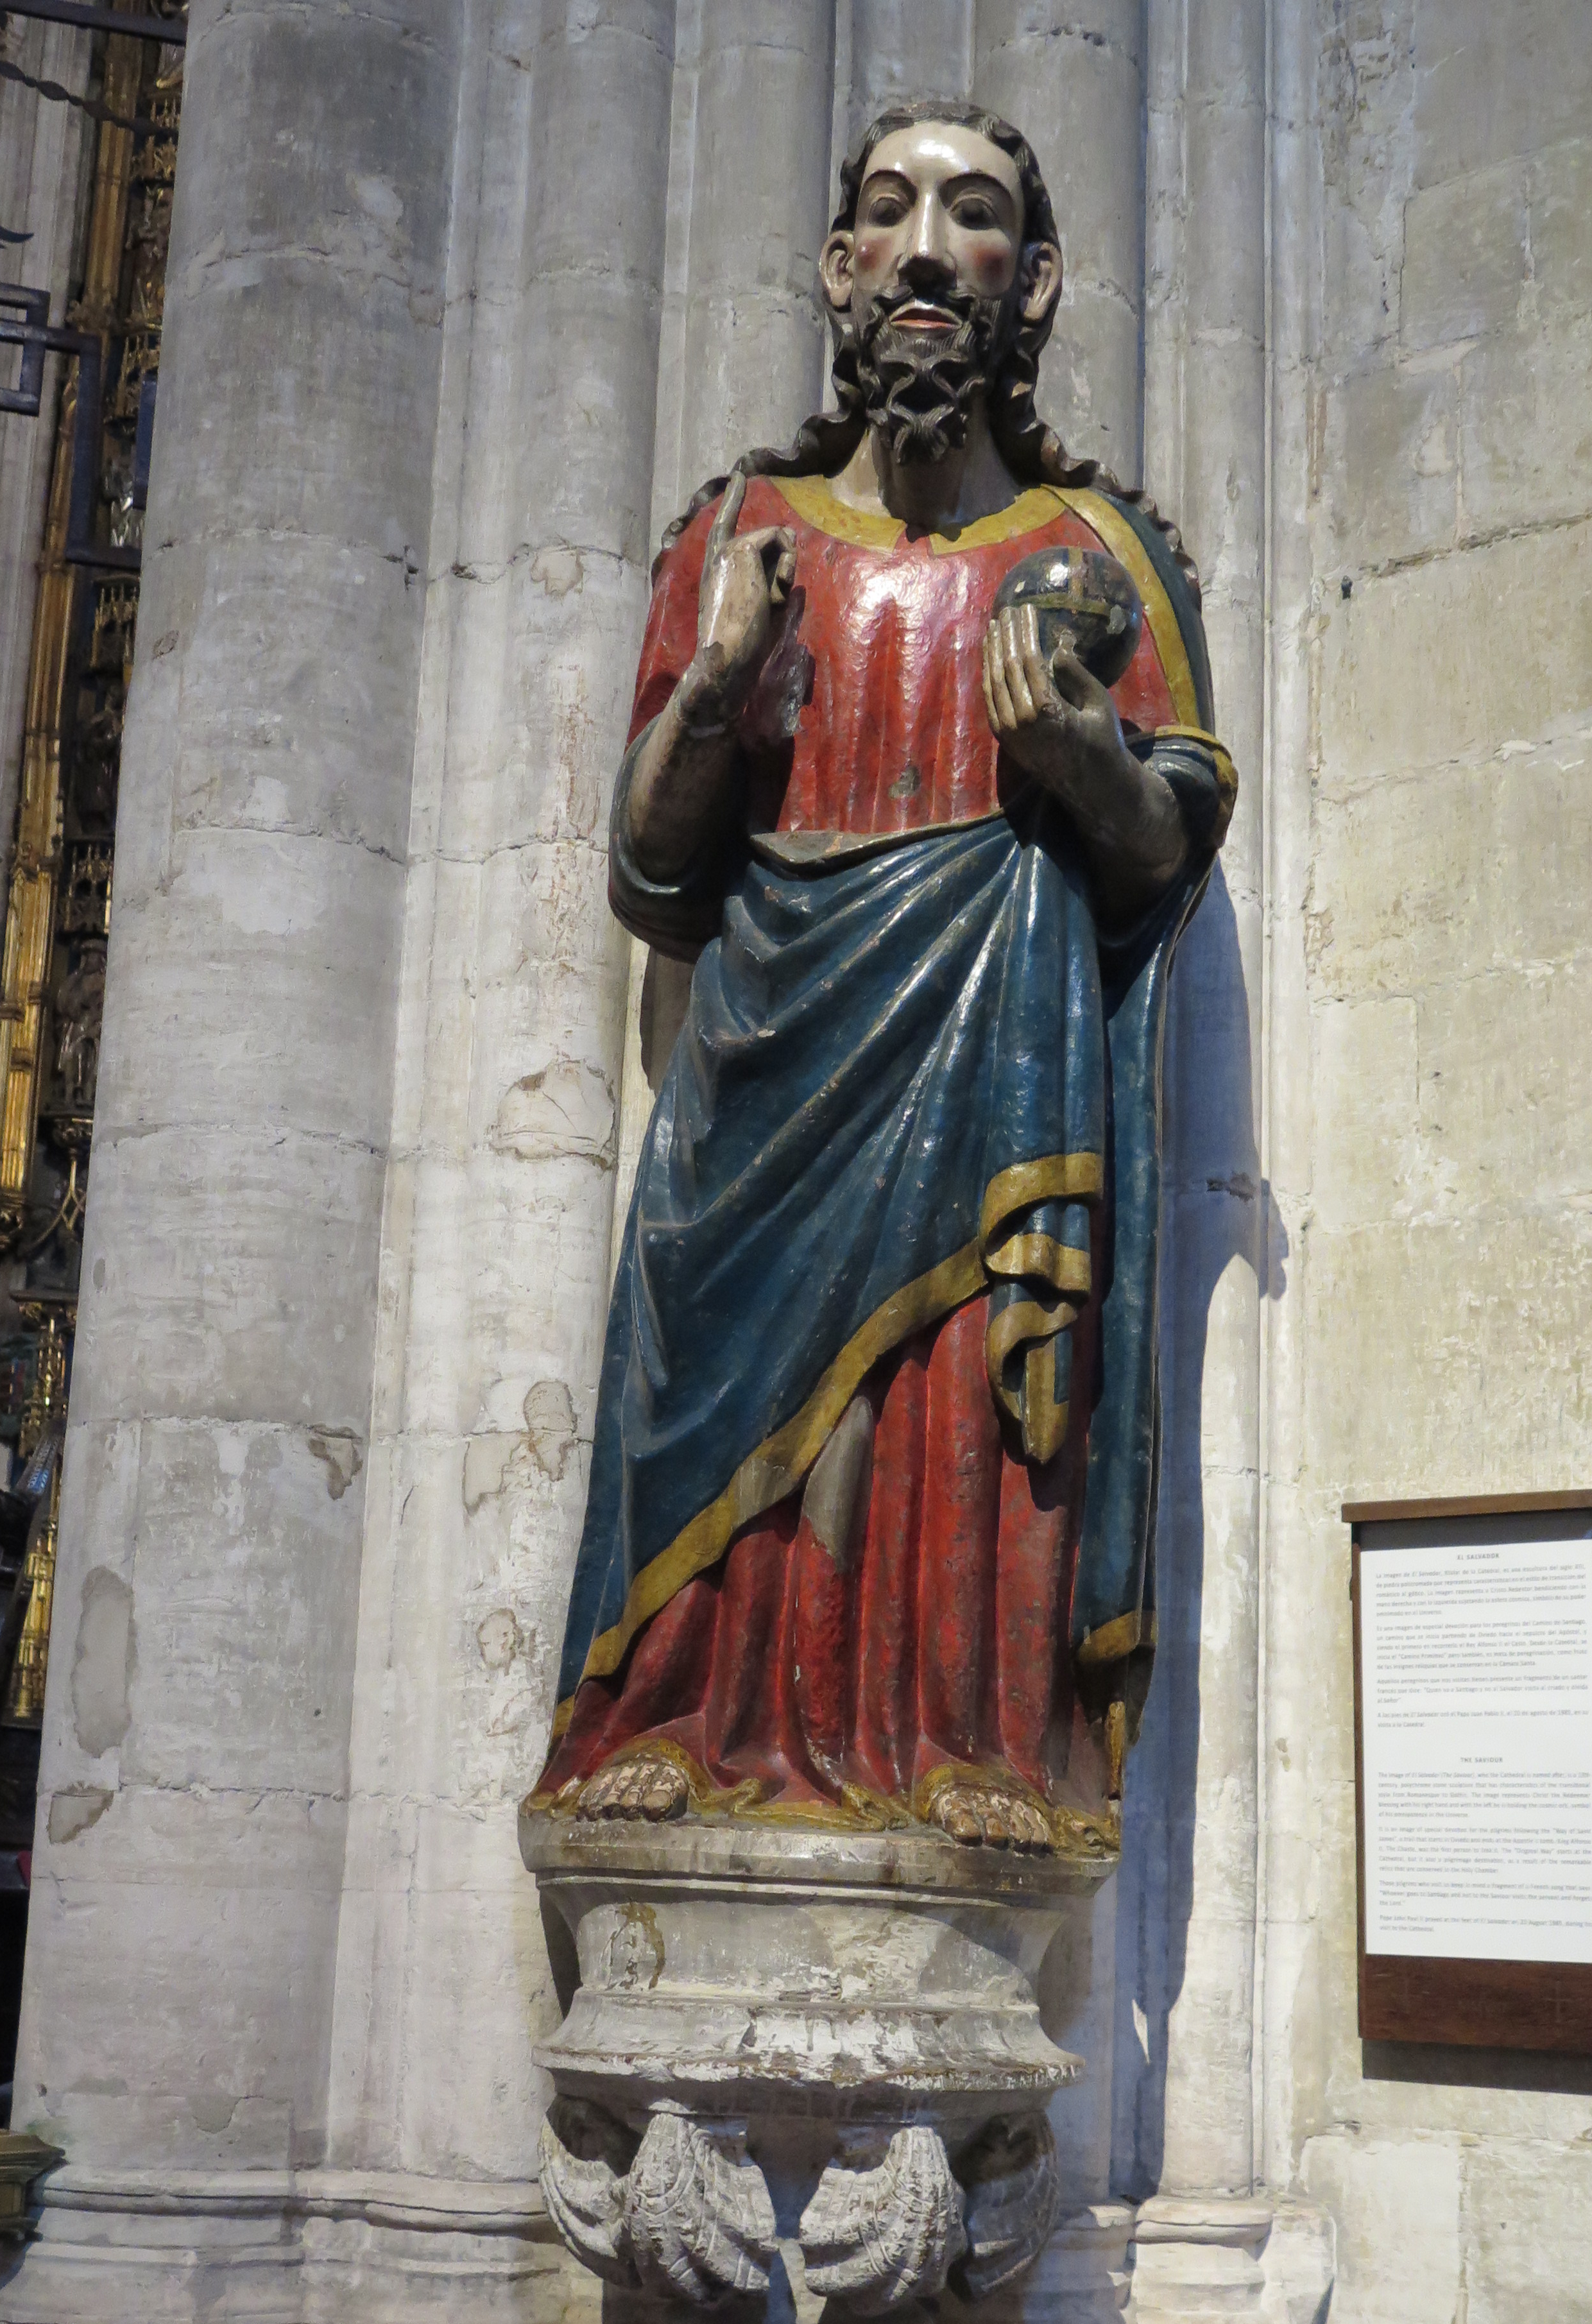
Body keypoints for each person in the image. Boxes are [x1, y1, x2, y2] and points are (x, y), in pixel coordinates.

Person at [527, 104, 1234, 1852]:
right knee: (714, 1380)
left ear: (1033, 281)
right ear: (839, 268)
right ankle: (676, 1715)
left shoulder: (1100, 556)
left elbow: (1168, 849)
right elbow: (650, 877)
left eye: (972, 215)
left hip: (999, 1040)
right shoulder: (739, 538)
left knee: (965, 1398)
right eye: (889, 213)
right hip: (765, 1050)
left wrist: (1082, 758)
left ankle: (971, 1735)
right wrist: (719, 690)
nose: (927, 250)